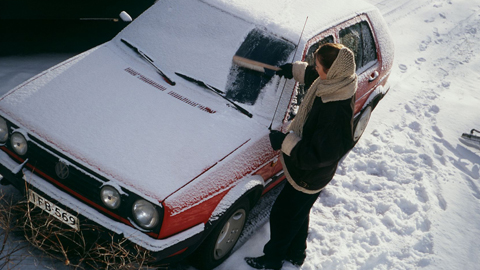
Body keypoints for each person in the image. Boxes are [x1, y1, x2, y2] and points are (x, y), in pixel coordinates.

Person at [245, 43, 358, 270]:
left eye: (318, 67)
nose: (315, 70)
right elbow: (314, 76)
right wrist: (294, 70)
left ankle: (272, 260)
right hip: (311, 171)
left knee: (281, 215)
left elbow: (316, 155)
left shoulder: (335, 110)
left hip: (310, 173)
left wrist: (284, 142)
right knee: (298, 212)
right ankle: (297, 254)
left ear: (332, 72)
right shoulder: (337, 84)